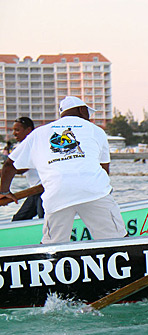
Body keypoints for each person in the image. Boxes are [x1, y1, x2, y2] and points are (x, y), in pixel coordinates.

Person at [0, 96, 127, 244]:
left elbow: (9, 165)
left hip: (56, 192)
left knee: (53, 244)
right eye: (88, 113)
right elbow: (104, 169)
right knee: (117, 241)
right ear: (82, 110)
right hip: (93, 190)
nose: (89, 117)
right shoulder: (95, 130)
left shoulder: (39, 133)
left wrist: (4, 192)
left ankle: (49, 262)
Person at [11, 117, 44, 221]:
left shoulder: (35, 145)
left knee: (44, 219)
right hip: (34, 191)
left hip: (43, 189)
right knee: (18, 220)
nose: (14, 133)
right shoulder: (23, 147)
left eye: (17, 130)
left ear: (28, 130)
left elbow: (20, 169)